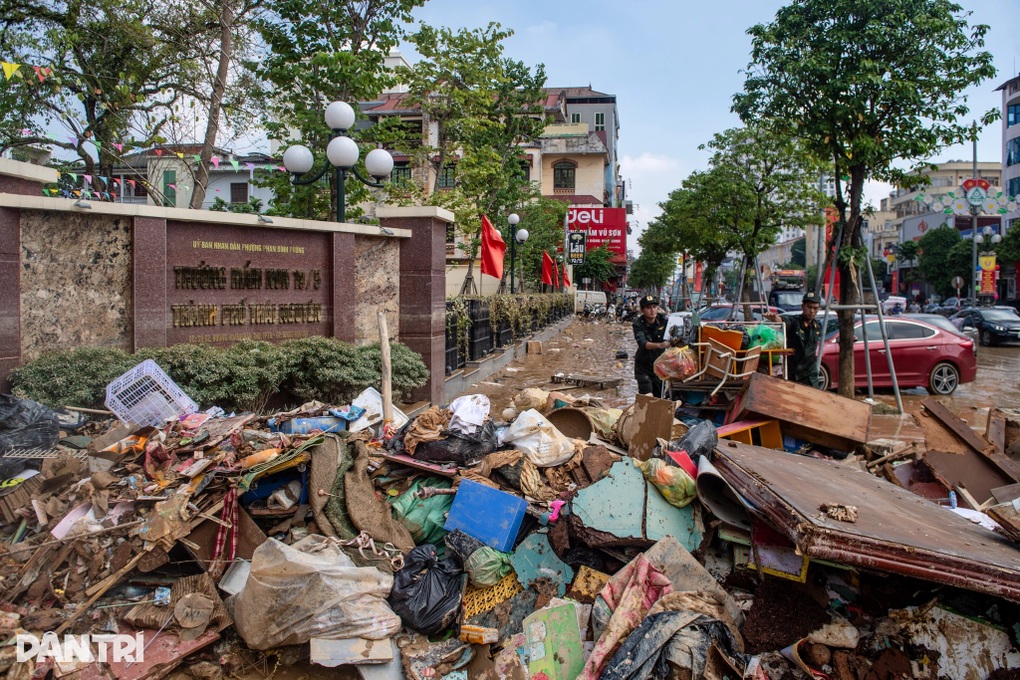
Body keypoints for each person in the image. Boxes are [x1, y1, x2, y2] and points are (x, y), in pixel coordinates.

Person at [766, 292, 822, 388]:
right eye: (809, 307)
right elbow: (783, 321)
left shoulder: (817, 326)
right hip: (794, 373)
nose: (812, 311)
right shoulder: (795, 322)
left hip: (810, 374)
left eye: (815, 308)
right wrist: (774, 318)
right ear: (803, 306)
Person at [632, 295, 669, 396]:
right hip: (643, 366)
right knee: (647, 396)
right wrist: (660, 345)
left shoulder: (664, 320)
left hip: (659, 365)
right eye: (648, 308)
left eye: (654, 307)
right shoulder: (638, 324)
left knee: (660, 397)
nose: (652, 310)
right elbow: (643, 344)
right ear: (643, 310)